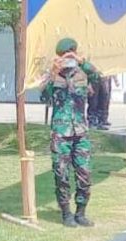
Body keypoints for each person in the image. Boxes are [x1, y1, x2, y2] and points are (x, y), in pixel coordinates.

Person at [39, 37, 101, 227]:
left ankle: (81, 212)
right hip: (60, 133)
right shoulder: (52, 74)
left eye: (71, 54)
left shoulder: (83, 73)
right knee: (61, 174)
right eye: (64, 55)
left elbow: (99, 79)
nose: (68, 58)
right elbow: (44, 97)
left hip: (80, 132)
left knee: (85, 173)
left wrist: (82, 61)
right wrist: (53, 73)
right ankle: (66, 213)